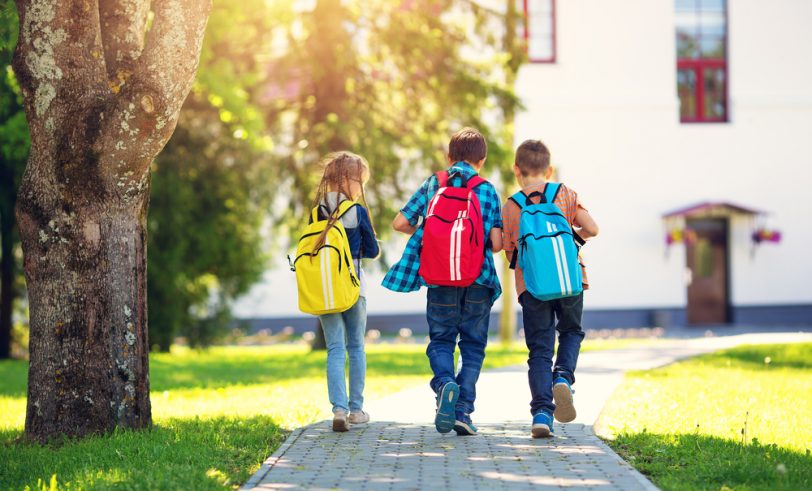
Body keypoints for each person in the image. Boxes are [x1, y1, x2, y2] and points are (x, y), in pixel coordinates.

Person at [386, 127, 502, 436]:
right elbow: (498, 242)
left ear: (448, 157)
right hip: (479, 278)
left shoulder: (432, 184)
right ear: (483, 160)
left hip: (439, 277)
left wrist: (434, 236)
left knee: (441, 340)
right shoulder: (487, 189)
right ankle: (463, 410)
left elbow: (400, 223)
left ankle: (444, 384)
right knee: (473, 346)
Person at [501, 139, 599, 438]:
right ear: (550, 168)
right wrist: (572, 240)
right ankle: (564, 378)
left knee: (540, 350)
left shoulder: (512, 205)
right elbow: (592, 228)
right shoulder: (565, 194)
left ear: (517, 170)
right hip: (570, 280)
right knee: (571, 332)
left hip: (533, 286)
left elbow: (509, 252)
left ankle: (542, 414)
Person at [312, 152, 380, 432]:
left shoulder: (317, 211)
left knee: (335, 348)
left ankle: (338, 410)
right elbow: (373, 251)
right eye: (360, 181)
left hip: (325, 288)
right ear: (348, 181)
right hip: (353, 287)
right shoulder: (357, 211)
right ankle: (356, 409)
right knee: (356, 347)